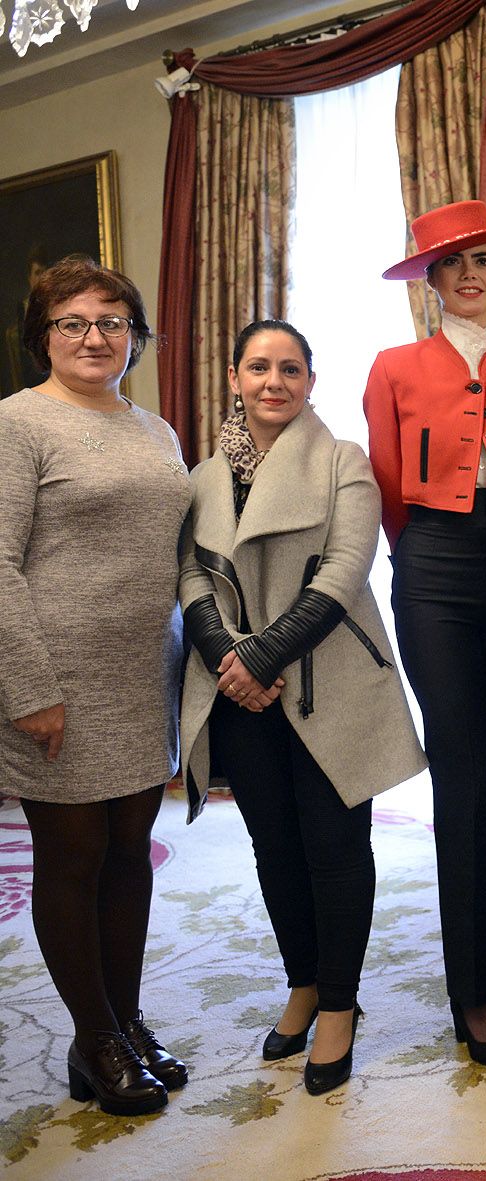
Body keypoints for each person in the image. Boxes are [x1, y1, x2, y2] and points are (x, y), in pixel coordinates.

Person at [179, 320, 425, 1094]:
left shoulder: (343, 461)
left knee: (336, 846)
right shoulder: (202, 477)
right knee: (274, 846)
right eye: (259, 367)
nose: (274, 381)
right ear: (234, 377)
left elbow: (346, 570)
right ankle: (304, 984)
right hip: (236, 690)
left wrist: (259, 657)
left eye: (291, 369)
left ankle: (341, 1007)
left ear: (311, 382)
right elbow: (189, 576)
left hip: (326, 682)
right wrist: (228, 658)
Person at [364, 200, 486, 1069]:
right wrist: (423, 556)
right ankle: (469, 990)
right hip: (434, 568)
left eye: (483, 259)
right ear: (431, 281)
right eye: (453, 263)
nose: (470, 274)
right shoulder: (393, 367)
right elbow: (386, 484)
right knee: (465, 771)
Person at [0, 255, 190, 1115]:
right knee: (73, 857)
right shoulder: (18, 423)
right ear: (42, 336)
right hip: (58, 677)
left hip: (144, 673)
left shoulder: (157, 431)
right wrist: (27, 686)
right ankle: (94, 1036)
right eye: (73, 322)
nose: (93, 337)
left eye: (112, 322)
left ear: (133, 337)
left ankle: (125, 1019)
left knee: (129, 853)